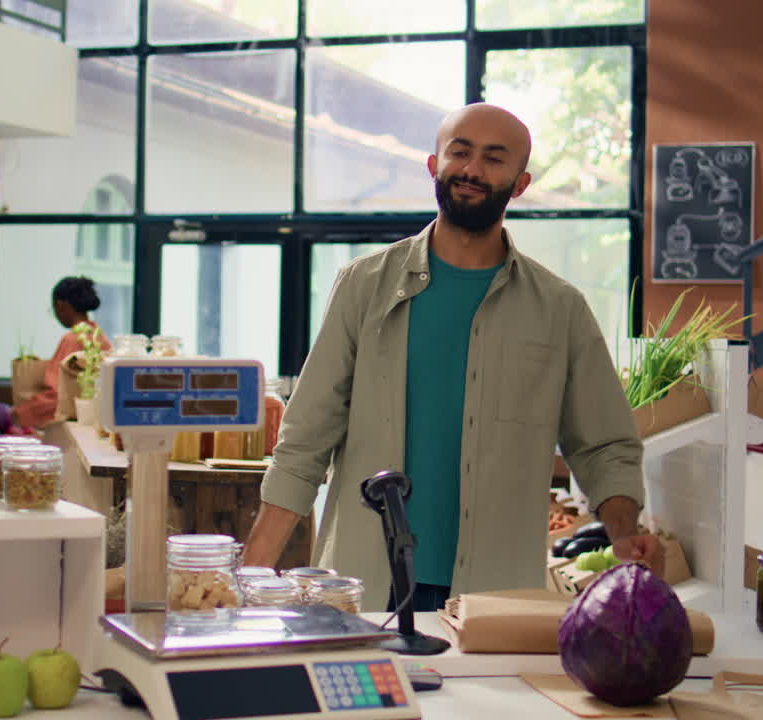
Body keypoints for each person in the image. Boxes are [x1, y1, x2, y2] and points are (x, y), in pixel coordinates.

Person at [242, 103, 663, 612]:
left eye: (493, 158)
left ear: (521, 182)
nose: (472, 170)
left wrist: (624, 532)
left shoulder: (559, 309)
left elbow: (604, 443)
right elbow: (306, 436)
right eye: (459, 153)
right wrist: (255, 565)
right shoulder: (364, 287)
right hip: (366, 582)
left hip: (494, 592)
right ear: (433, 166)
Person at [13, 276, 112, 430]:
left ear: (61, 305)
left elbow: (58, 395)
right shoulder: (100, 337)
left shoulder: (72, 339)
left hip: (69, 420)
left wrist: (20, 413)